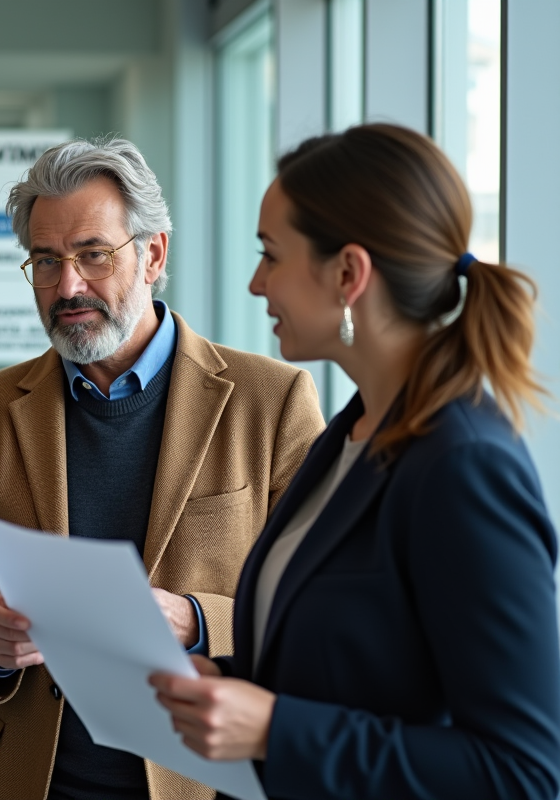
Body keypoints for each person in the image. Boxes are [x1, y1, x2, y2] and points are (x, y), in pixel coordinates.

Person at [150, 123, 560, 800]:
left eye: (271, 256)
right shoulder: (348, 438)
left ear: (348, 274)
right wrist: (227, 688)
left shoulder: (464, 466)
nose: (256, 284)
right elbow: (354, 666)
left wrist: (276, 728)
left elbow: (521, 773)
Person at [0, 137, 325, 800]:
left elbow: (323, 611)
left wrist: (196, 619)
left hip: (203, 783)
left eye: (92, 255)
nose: (67, 286)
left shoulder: (271, 402)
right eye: (45, 262)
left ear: (154, 254)